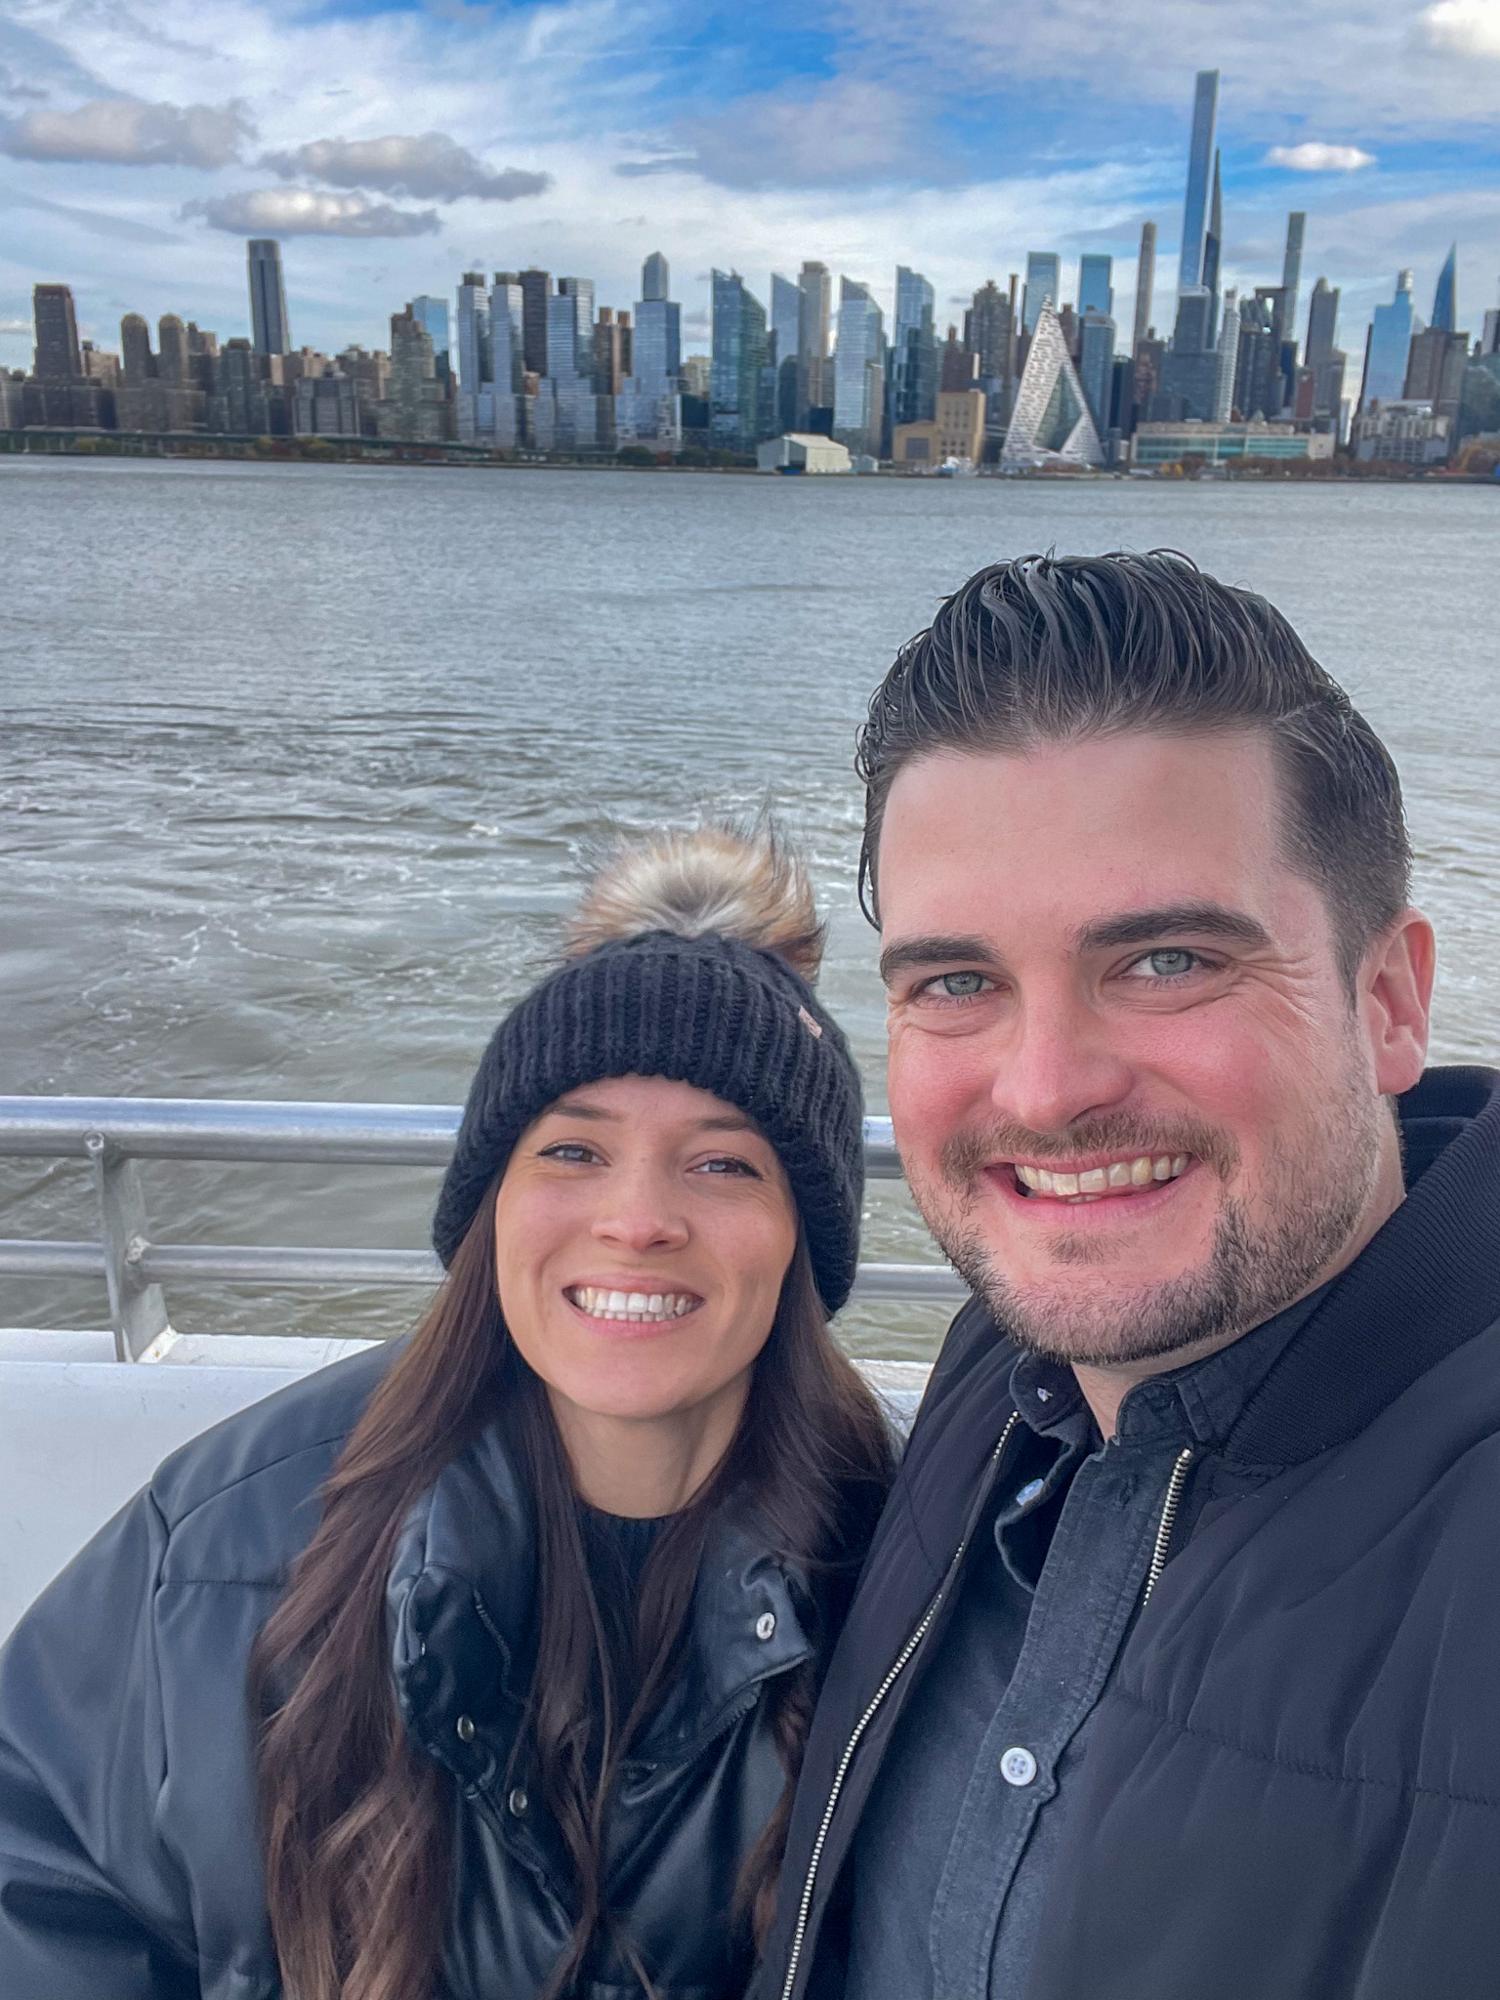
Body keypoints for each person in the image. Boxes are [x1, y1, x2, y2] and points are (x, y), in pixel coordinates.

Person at [753, 551, 1500, 2000]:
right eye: (958, 983)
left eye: (1164, 960)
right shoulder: (1008, 1364)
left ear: (1390, 1001)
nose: (1046, 1093)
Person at [0, 824, 894, 2000]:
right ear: (491, 1206)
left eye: (724, 1164)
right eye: (572, 1148)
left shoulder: (910, 1570)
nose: (636, 1218)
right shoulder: (227, 1546)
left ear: (804, 1236)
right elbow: (43, 1873)